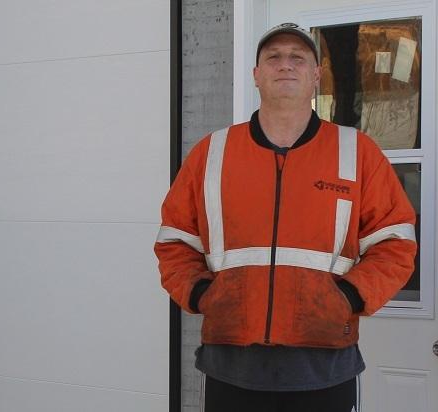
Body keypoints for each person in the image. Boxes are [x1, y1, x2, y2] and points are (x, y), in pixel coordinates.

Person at [155, 22, 417, 412]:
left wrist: (348, 296)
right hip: (231, 364)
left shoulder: (356, 152)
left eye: (298, 58)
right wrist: (200, 293)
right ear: (256, 75)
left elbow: (394, 244)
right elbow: (175, 240)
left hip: (324, 363)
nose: (285, 65)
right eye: (273, 58)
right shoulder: (213, 152)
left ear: (316, 75)